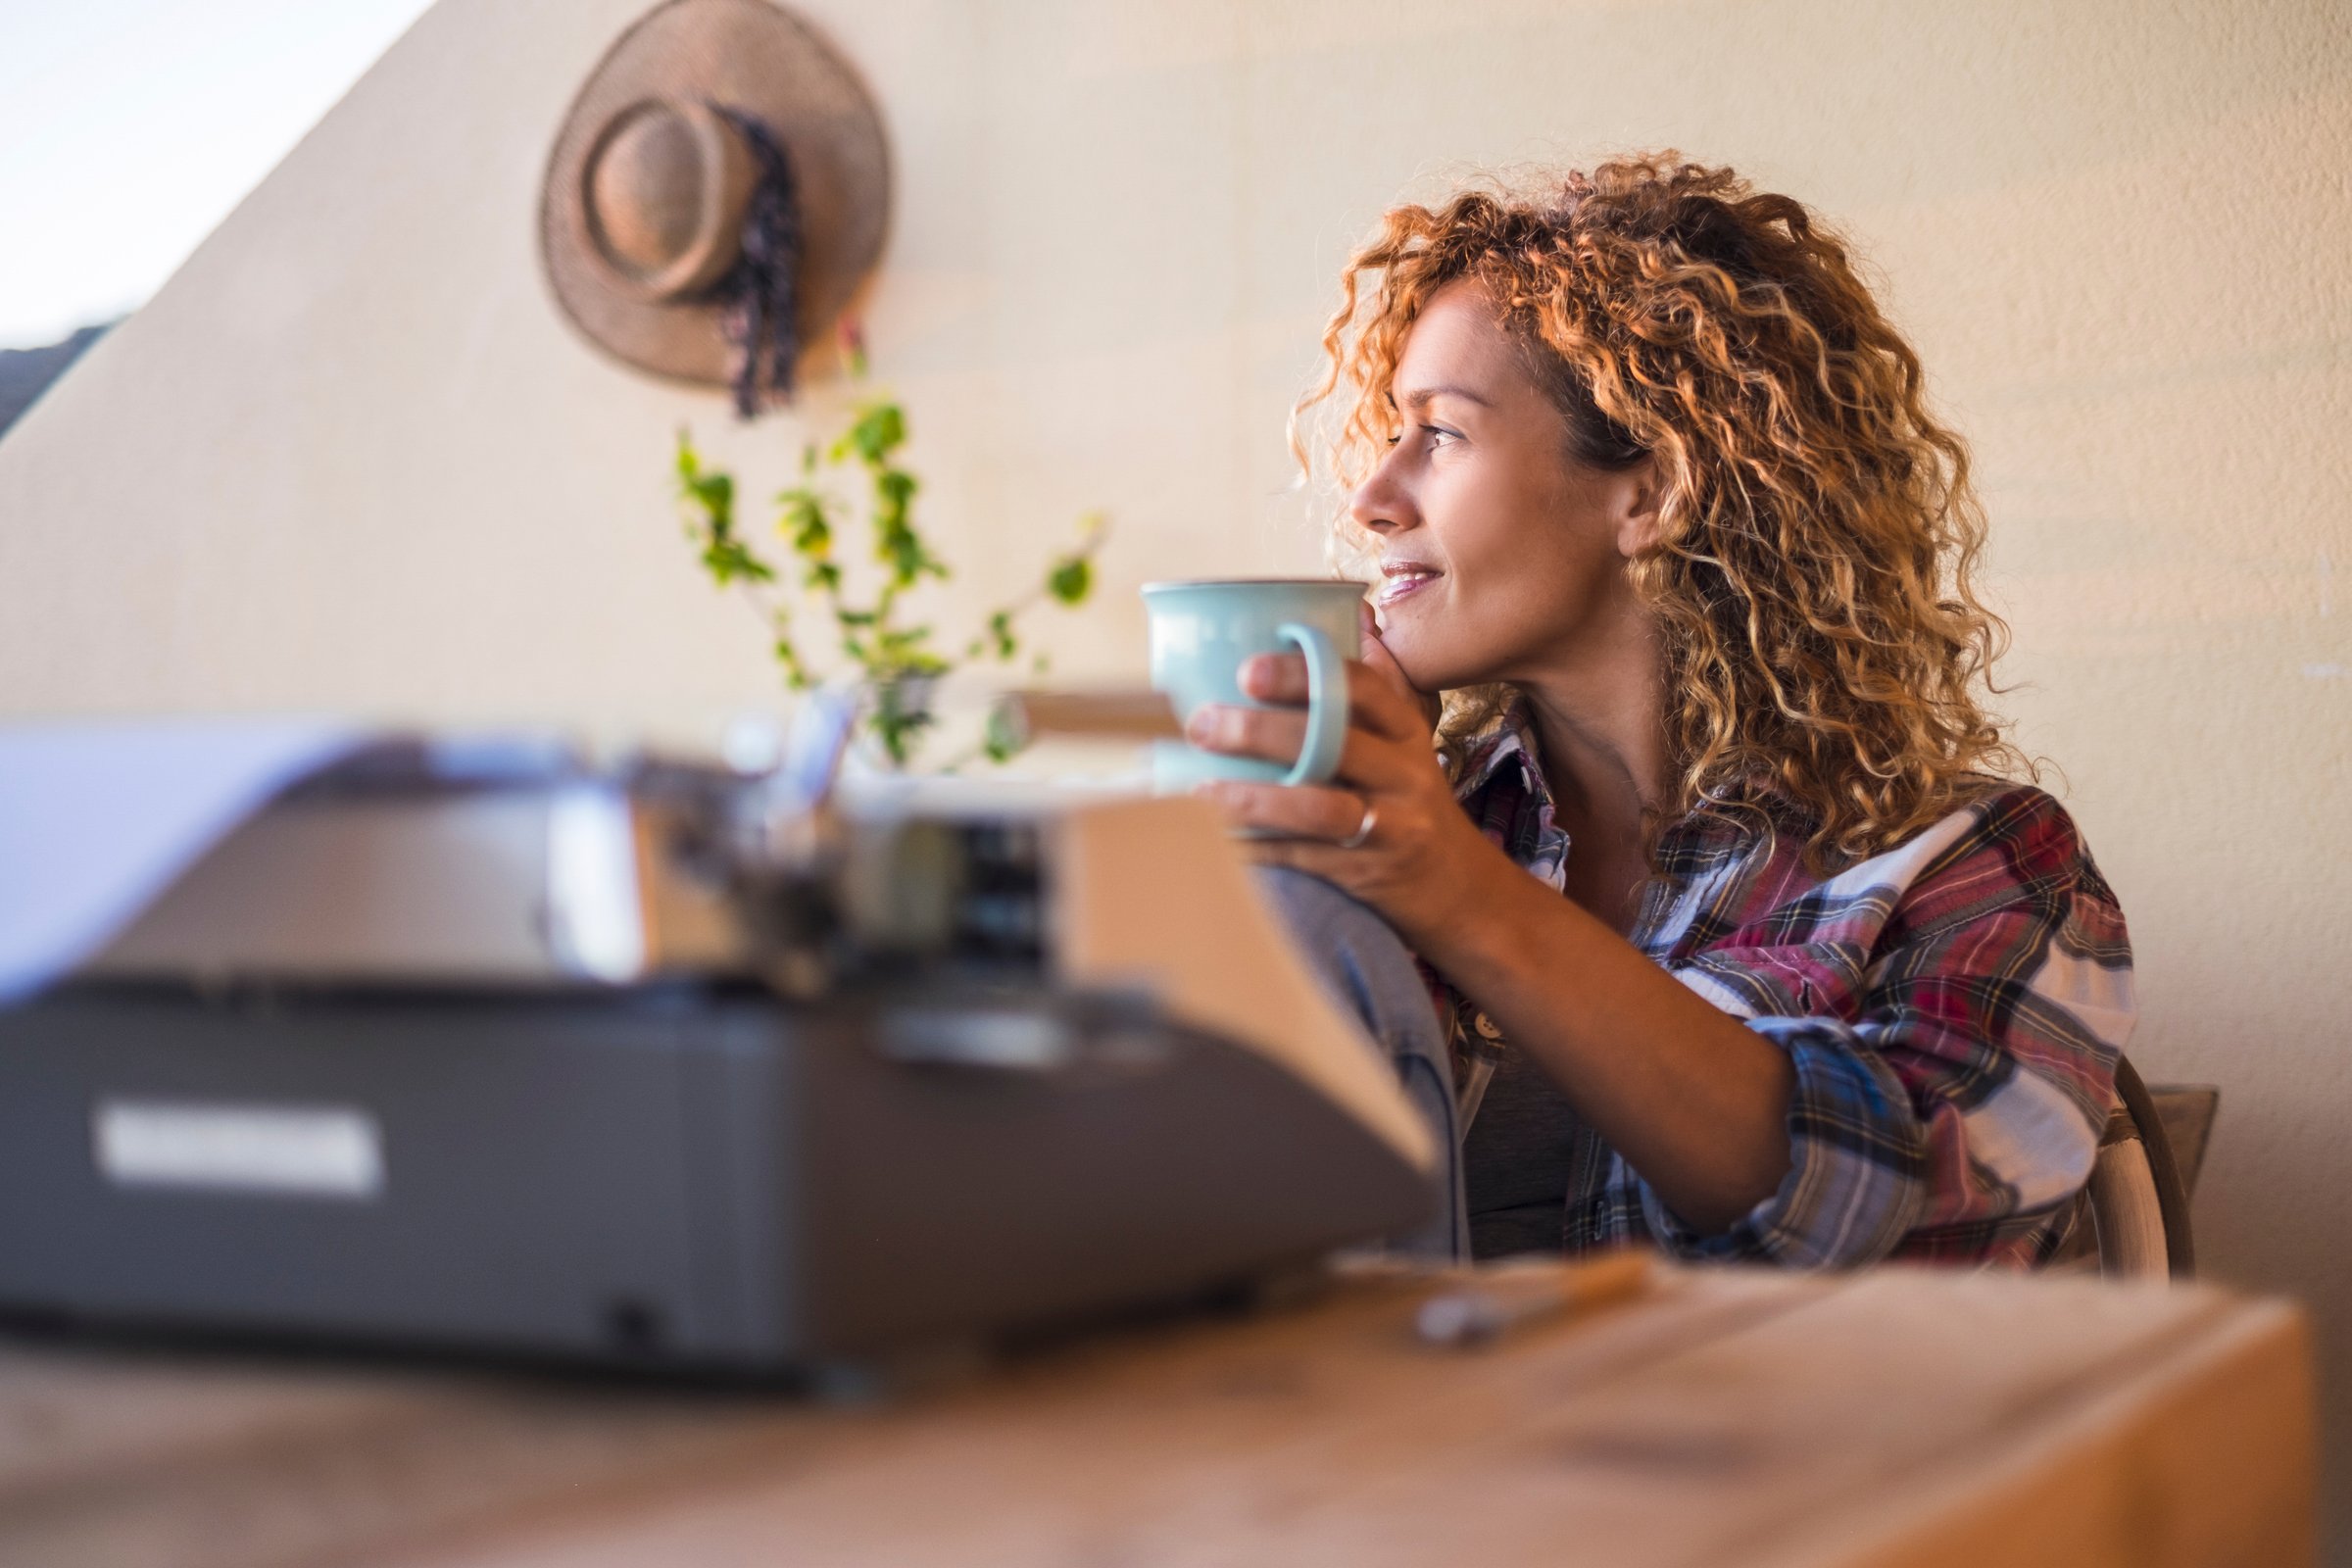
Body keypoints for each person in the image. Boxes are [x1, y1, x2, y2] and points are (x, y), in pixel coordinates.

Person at [1191, 155, 2133, 1266]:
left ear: (1650, 487)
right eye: (1391, 433)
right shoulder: (1390, 834)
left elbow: (1882, 1214)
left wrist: (1459, 894)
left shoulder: (1967, 869)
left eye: (1439, 432)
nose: (1372, 495)